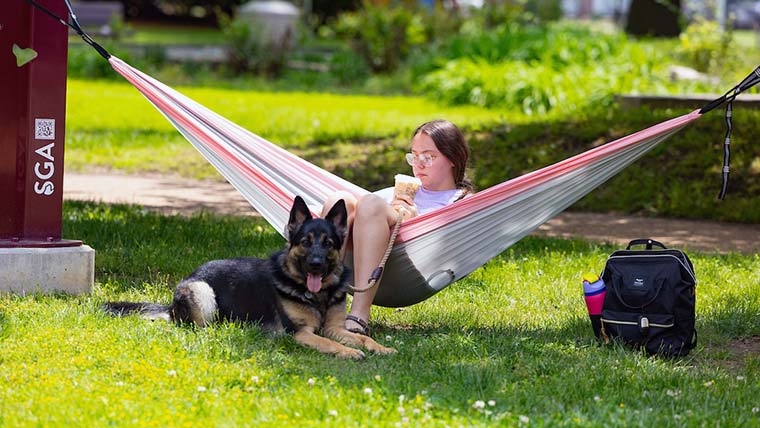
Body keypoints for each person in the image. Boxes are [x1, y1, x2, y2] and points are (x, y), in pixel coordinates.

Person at [320, 119, 474, 336]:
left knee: (371, 204)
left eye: (428, 157)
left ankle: (359, 315)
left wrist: (413, 220)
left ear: (452, 158)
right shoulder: (402, 189)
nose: (418, 164)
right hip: (357, 255)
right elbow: (361, 210)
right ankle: (323, 306)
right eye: (414, 155)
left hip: (408, 267)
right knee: (340, 200)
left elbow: (444, 242)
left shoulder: (461, 202)